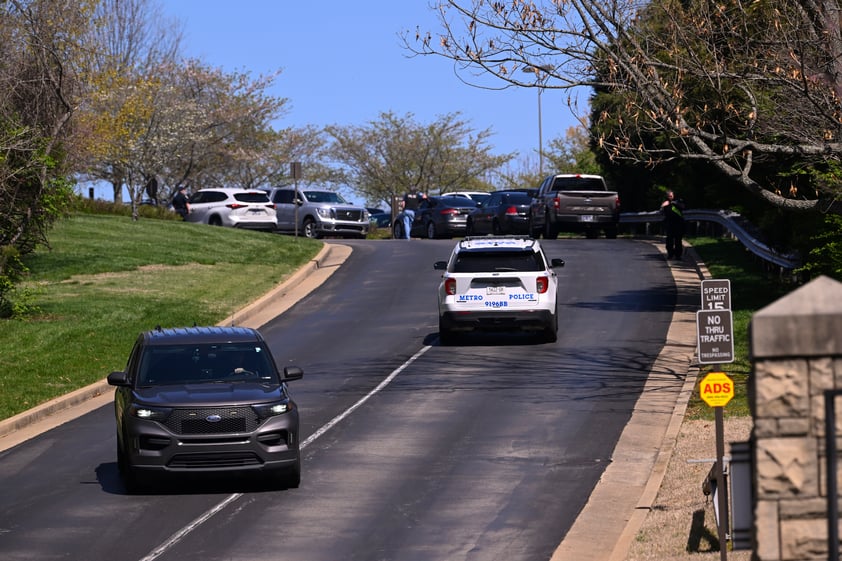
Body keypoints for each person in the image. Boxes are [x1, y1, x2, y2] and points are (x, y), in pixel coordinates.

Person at [661, 190, 685, 259]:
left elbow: (683, 207)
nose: (670, 197)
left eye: (671, 196)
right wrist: (663, 206)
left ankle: (678, 255)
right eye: (669, 196)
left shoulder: (678, 201)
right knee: (669, 240)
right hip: (670, 224)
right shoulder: (665, 203)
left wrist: (673, 203)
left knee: (678, 240)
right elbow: (661, 212)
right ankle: (670, 254)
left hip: (679, 224)